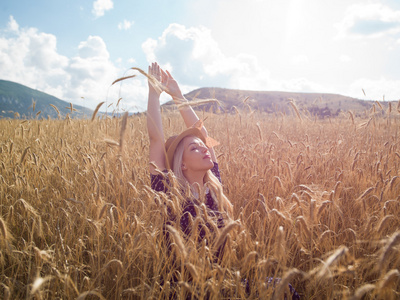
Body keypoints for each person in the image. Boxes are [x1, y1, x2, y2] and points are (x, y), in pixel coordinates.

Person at [146, 62, 300, 299]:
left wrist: (178, 96)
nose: (204, 149)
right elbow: (156, 139)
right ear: (182, 164)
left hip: (222, 285)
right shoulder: (169, 193)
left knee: (283, 288)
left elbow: (206, 136)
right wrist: (154, 94)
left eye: (202, 147)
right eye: (194, 149)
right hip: (186, 292)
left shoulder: (213, 187)